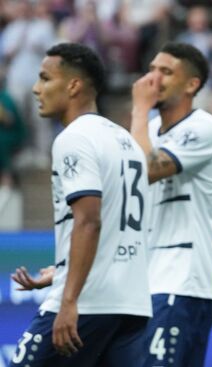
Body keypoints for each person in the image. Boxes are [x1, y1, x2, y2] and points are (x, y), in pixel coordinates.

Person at [9, 42, 152, 366]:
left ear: (73, 85)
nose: (36, 89)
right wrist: (63, 268)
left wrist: (69, 299)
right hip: (131, 302)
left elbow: (89, 220)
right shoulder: (125, 140)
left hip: (88, 301)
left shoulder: (74, 138)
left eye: (45, 78)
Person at [130, 42, 212, 367]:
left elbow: (146, 169)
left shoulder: (204, 128)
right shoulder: (150, 131)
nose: (153, 79)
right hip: (145, 279)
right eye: (152, 69)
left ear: (192, 84)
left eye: (166, 72)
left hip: (183, 278)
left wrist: (139, 110)